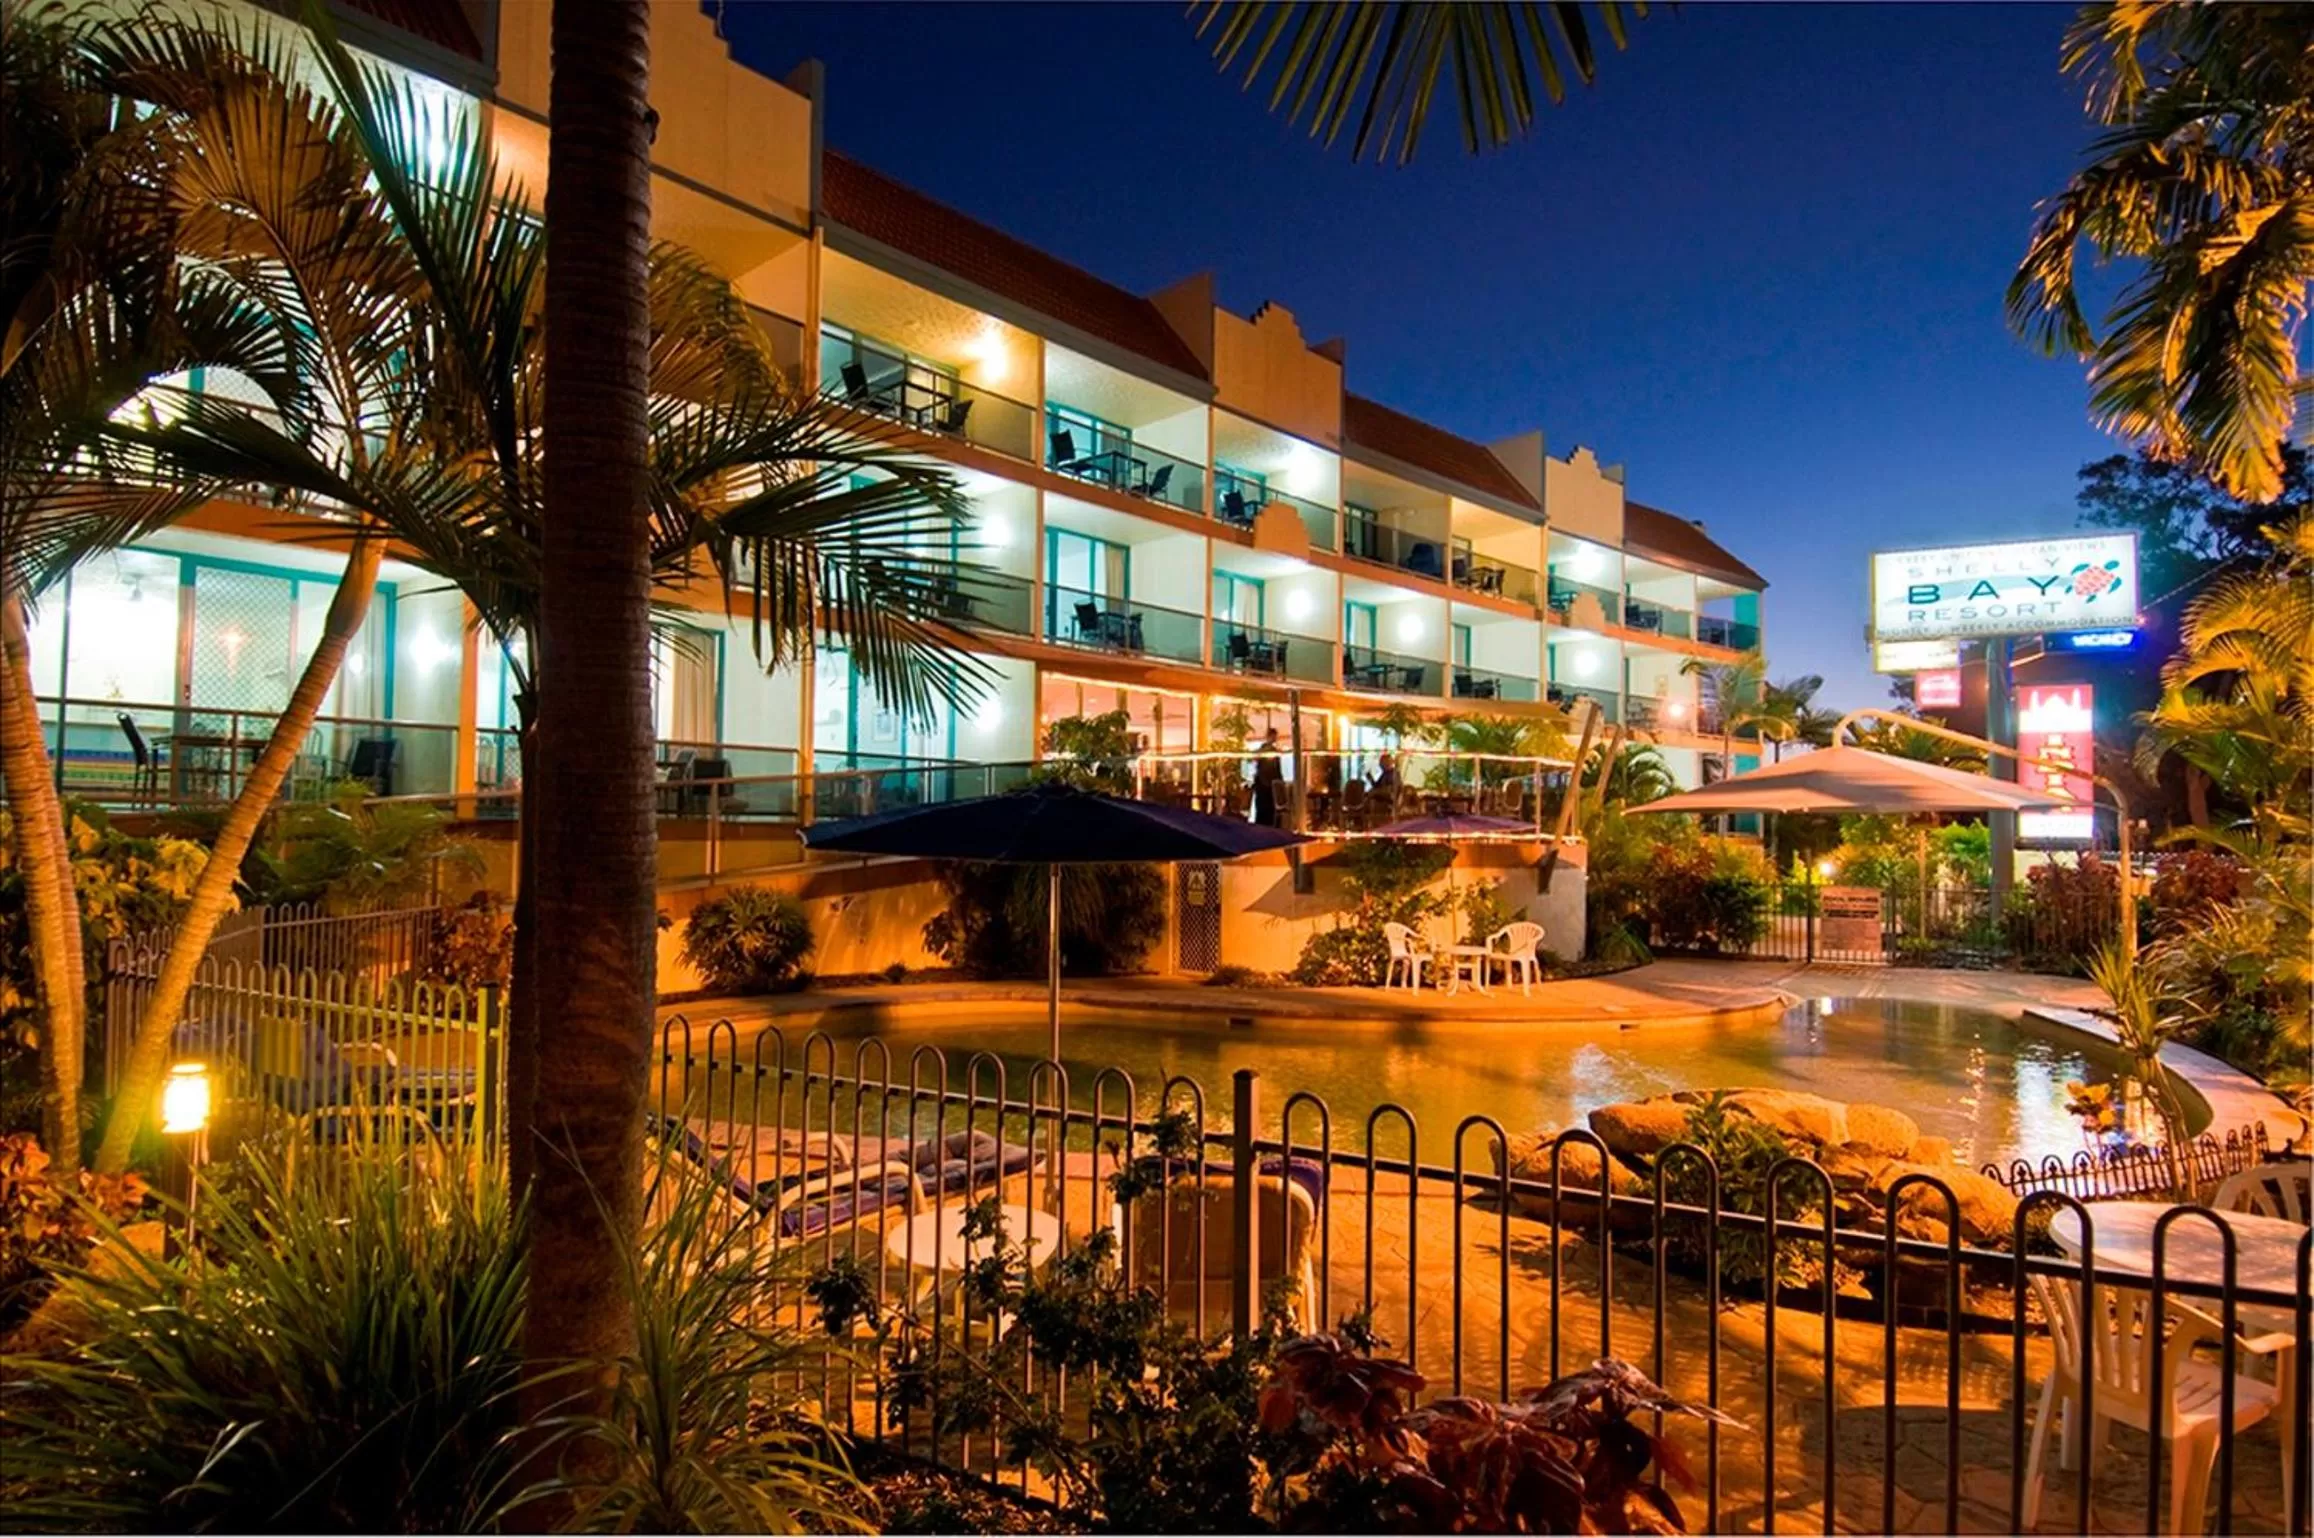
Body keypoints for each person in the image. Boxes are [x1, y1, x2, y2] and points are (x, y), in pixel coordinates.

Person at [1251, 728, 1285, 827]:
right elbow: (1254, 758)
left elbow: (1278, 768)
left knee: (1269, 806)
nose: (1273, 739)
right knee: (1262, 806)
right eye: (1272, 736)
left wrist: (1279, 781)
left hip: (1270, 783)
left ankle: (1268, 824)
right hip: (1263, 782)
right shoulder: (1263, 750)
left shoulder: (1275, 752)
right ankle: (1262, 825)